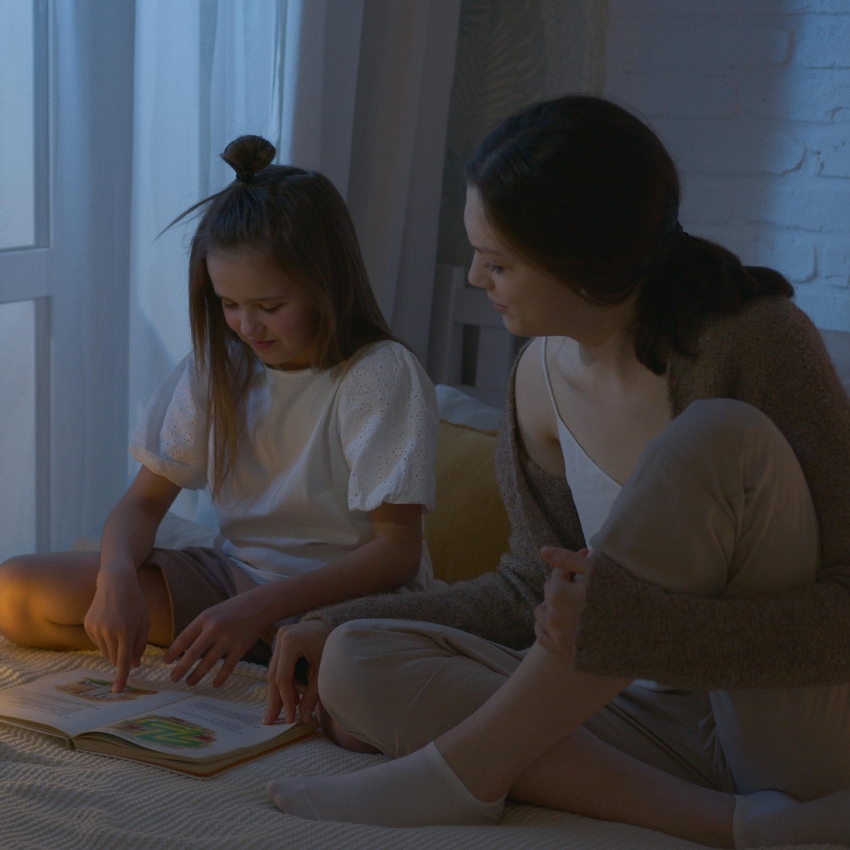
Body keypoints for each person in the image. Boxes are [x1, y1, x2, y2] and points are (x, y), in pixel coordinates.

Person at [262, 97, 850, 848]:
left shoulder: (758, 341)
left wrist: (641, 632)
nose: (476, 276)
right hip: (648, 720)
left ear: (584, 263)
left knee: (719, 433)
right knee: (356, 658)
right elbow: (531, 590)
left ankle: (460, 775)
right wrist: (331, 620)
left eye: (499, 261)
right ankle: (741, 825)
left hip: (785, 722)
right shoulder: (536, 379)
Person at [0, 135, 438, 704]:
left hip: (343, 603)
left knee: (359, 694)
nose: (247, 327)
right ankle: (244, 649)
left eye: (270, 307)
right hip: (234, 583)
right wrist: (116, 578)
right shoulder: (221, 366)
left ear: (327, 284)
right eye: (229, 305)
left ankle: (275, 655)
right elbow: (143, 503)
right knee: (17, 593)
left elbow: (397, 551)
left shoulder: (379, 373)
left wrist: (259, 609)